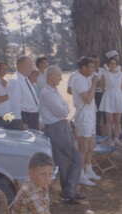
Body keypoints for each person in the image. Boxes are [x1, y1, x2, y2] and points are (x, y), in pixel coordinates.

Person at [39, 65, 86, 203]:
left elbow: (66, 107)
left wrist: (65, 109)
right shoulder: (46, 92)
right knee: (65, 161)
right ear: (51, 76)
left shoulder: (54, 91)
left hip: (62, 126)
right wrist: (65, 109)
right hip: (55, 128)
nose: (61, 78)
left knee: (76, 158)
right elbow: (62, 111)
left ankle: (69, 189)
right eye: (58, 75)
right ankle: (68, 191)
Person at [70, 56, 101, 185]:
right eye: (91, 67)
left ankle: (88, 169)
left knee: (91, 144)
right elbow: (87, 99)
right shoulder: (77, 79)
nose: (93, 70)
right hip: (83, 115)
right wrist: (94, 83)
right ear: (83, 68)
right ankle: (80, 174)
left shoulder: (87, 77)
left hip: (91, 113)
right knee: (83, 146)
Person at [99, 57, 122, 147]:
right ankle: (110, 139)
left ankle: (117, 138)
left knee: (117, 120)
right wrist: (109, 93)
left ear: (117, 65)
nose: (113, 65)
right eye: (111, 63)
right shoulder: (105, 74)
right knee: (109, 120)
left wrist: (117, 94)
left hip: (118, 97)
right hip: (108, 97)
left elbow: (121, 87)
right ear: (108, 64)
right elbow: (103, 87)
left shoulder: (121, 74)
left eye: (114, 63)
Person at [8, 55, 40, 130]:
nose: (32, 67)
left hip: (32, 117)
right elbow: (14, 104)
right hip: (25, 118)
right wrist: (19, 123)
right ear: (21, 65)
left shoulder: (25, 79)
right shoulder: (15, 81)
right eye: (30, 65)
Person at [91, 55, 105, 136]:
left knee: (100, 112)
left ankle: (99, 130)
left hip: (101, 93)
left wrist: (97, 83)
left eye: (98, 61)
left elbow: (104, 83)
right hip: (92, 94)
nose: (96, 63)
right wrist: (97, 83)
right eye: (94, 62)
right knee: (93, 112)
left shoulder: (102, 71)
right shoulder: (90, 72)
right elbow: (92, 84)